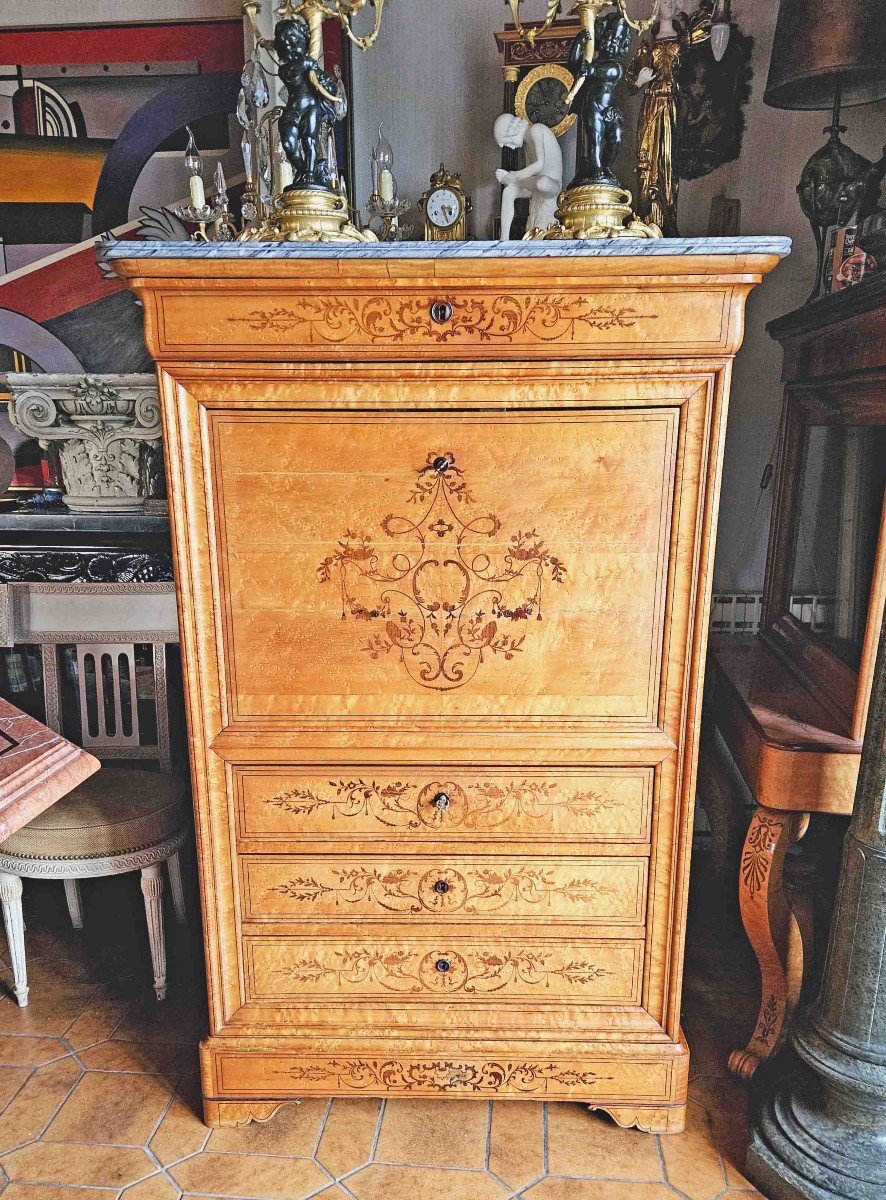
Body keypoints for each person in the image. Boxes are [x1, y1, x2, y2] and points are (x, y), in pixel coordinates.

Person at [494, 113, 563, 238]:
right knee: (509, 191)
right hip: (536, 188)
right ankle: (504, 240)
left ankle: (511, 180)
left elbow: (539, 165)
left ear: (511, 130)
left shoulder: (536, 129)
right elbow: (530, 174)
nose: (511, 147)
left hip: (551, 186)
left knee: (541, 182)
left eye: (507, 143)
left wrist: (514, 176)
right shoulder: (526, 145)